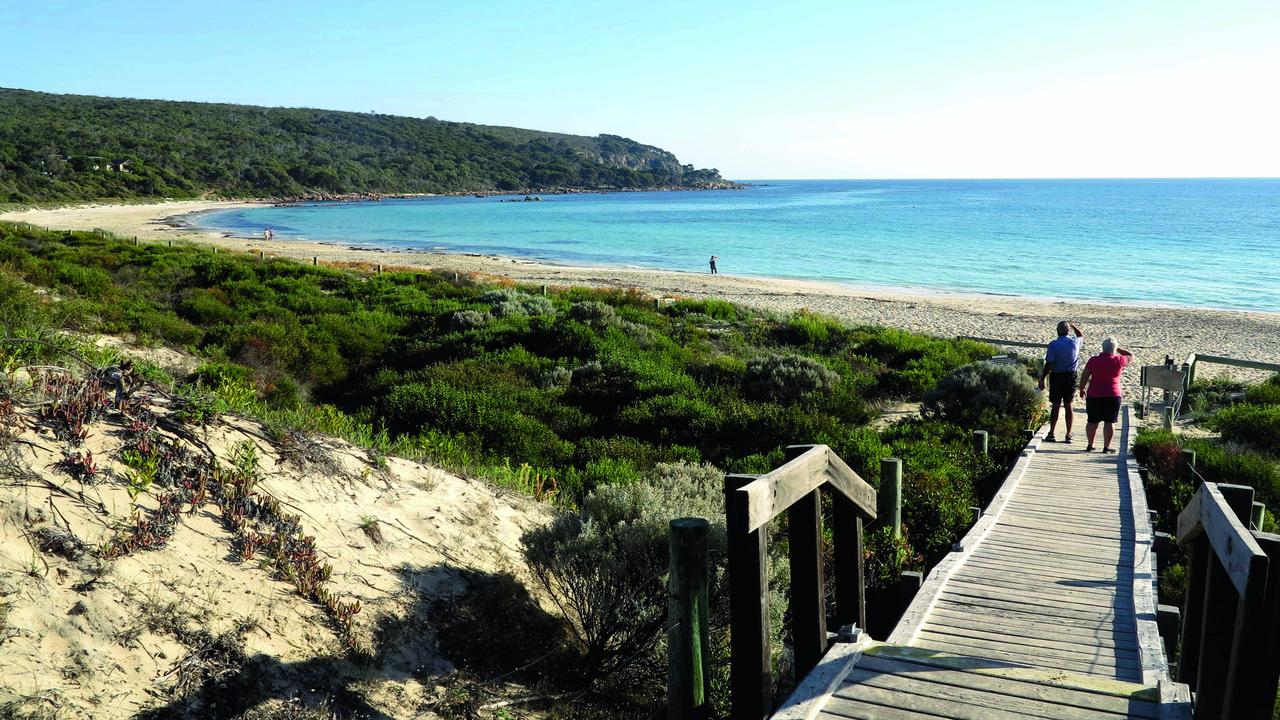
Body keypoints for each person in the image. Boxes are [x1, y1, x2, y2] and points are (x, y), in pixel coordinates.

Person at [1078, 336, 1134, 453]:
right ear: (1114, 349)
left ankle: (1090, 445)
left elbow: (1085, 375)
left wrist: (1082, 388)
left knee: (1092, 421)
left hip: (1094, 394)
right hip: (1113, 394)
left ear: (1102, 348)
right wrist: (1118, 349)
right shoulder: (1118, 360)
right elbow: (1130, 356)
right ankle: (1106, 446)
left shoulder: (1093, 360)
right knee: (1110, 421)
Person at [1038, 321, 1083, 442]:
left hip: (1057, 376)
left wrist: (1042, 378)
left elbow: (1049, 364)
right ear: (1068, 331)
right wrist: (1074, 326)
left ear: (1058, 331)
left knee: (1056, 405)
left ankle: (1052, 433)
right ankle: (1068, 434)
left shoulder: (1054, 344)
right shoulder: (1075, 342)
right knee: (1069, 404)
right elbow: (1080, 335)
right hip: (1070, 376)